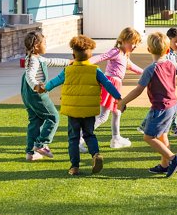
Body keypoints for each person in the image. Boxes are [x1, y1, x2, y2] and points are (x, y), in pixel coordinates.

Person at [118, 32, 177, 178]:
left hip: (160, 108)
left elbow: (138, 90)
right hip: (173, 106)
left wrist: (123, 102)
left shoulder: (150, 69)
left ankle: (173, 158)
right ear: (168, 50)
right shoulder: (171, 63)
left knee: (149, 137)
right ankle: (164, 164)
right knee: (162, 135)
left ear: (149, 50)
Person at [41, 35, 122, 176]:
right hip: (89, 110)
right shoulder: (95, 70)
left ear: (73, 54)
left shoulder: (68, 70)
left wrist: (44, 88)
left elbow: (54, 82)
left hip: (73, 111)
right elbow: (108, 84)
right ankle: (96, 155)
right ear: (90, 55)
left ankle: (74, 167)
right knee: (89, 134)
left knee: (73, 138)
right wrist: (118, 97)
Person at [79, 27, 143, 152]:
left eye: (136, 43)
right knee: (103, 116)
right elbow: (102, 57)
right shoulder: (116, 51)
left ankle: (116, 139)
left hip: (116, 85)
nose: (134, 46)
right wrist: (85, 63)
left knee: (117, 112)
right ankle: (80, 138)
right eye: (132, 43)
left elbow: (132, 67)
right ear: (123, 40)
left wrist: (148, 72)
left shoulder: (125, 55)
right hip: (111, 84)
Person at [21, 31, 71, 161]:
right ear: (37, 45)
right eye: (44, 43)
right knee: (53, 117)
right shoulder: (33, 61)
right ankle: (41, 144)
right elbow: (29, 75)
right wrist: (36, 86)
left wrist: (69, 62)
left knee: (35, 121)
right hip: (36, 94)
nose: (46, 45)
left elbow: (52, 61)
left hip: (27, 95)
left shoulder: (36, 58)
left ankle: (31, 153)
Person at [137, 27, 177, 137]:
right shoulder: (167, 55)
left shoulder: (172, 53)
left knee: (165, 106)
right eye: (176, 42)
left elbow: (176, 55)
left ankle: (144, 125)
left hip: (168, 85)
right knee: (168, 106)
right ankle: (174, 128)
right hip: (165, 85)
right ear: (168, 41)